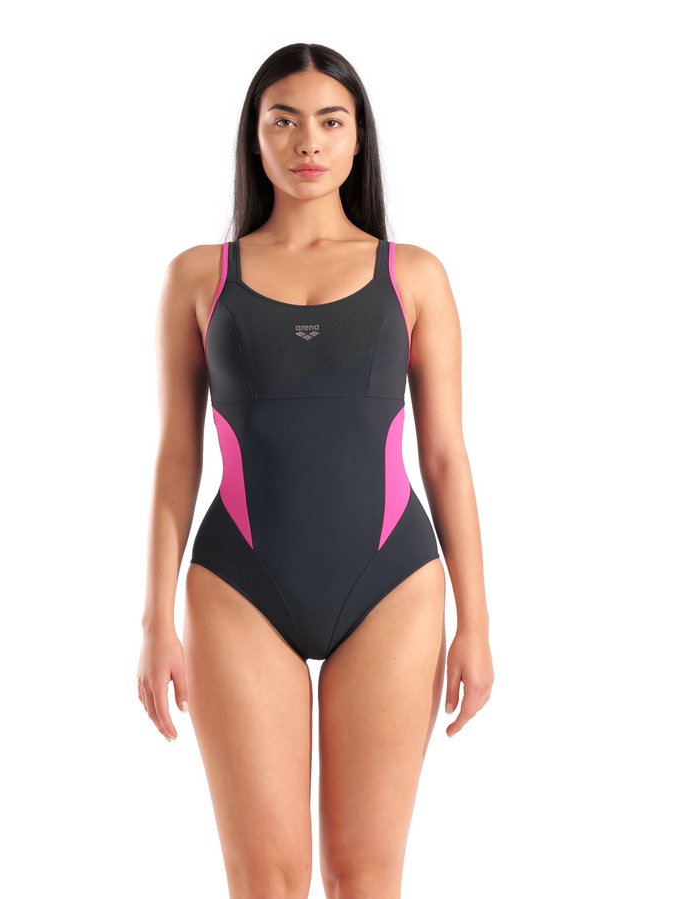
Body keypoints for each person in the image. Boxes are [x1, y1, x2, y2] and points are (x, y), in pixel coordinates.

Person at [138, 42, 493, 899]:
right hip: (238, 584)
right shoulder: (199, 276)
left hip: (392, 583)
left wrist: (476, 623)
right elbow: (177, 455)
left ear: (358, 137)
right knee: (267, 881)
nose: (308, 142)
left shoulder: (413, 275)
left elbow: (445, 455)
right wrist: (155, 622)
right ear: (254, 137)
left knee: (363, 878)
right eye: (284, 121)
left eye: (331, 122)